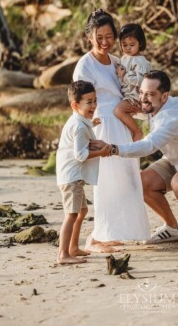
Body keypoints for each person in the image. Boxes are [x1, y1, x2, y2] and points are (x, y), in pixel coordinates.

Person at [93, 70, 178, 246]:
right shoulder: (154, 105)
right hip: (175, 161)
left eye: (150, 94)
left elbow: (148, 146)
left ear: (165, 96)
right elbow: (125, 109)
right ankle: (172, 228)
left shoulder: (172, 116)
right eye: (141, 92)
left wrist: (113, 149)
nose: (143, 98)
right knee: (142, 183)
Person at [73, 9, 150, 250]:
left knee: (126, 179)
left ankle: (115, 231)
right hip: (101, 124)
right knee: (105, 181)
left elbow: (129, 89)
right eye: (100, 37)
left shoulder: (119, 61)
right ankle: (97, 235)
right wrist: (86, 131)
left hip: (122, 124)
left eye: (109, 36)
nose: (105, 42)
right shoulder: (84, 65)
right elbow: (79, 102)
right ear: (89, 37)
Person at [56, 80, 110, 264]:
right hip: (71, 177)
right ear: (75, 104)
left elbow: (80, 136)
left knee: (82, 211)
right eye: (89, 102)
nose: (93, 106)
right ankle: (63, 254)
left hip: (73, 176)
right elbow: (80, 155)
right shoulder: (79, 126)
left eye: (95, 101)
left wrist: (91, 124)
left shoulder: (80, 122)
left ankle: (73, 247)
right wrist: (102, 152)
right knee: (71, 214)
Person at [114, 23, 152, 142]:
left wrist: (125, 75)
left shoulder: (141, 62)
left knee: (119, 111)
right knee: (124, 116)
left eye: (132, 45)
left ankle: (137, 132)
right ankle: (131, 133)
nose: (128, 48)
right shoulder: (124, 58)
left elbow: (142, 81)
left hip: (135, 96)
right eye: (124, 45)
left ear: (140, 43)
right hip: (126, 94)